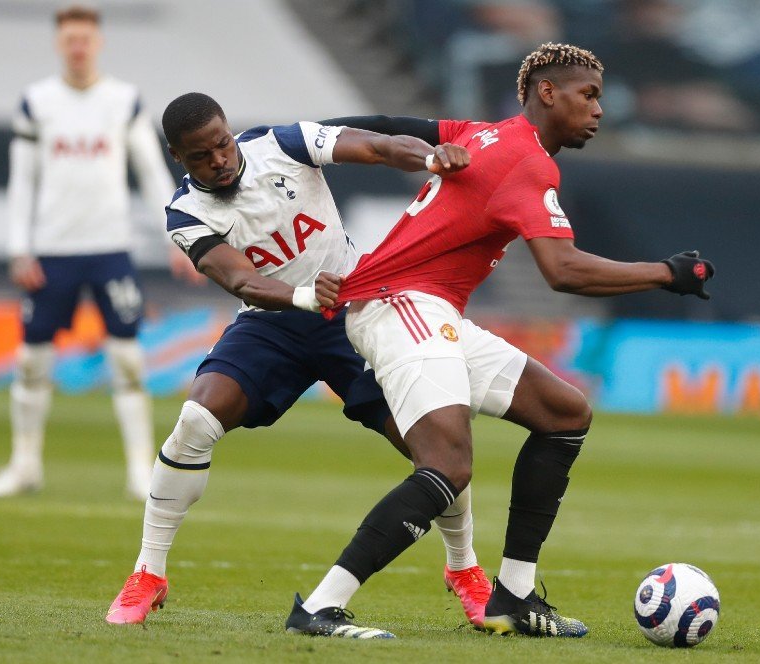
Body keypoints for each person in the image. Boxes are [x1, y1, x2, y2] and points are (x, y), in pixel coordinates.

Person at [286, 42, 716, 639]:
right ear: (547, 92)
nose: (598, 110)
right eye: (587, 95)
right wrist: (666, 274)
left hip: (427, 308)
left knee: (565, 413)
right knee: (448, 467)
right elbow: (562, 271)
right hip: (400, 302)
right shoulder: (527, 161)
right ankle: (318, 608)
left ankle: (511, 598)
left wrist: (291, 137)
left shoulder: (480, 133)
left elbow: (386, 126)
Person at [105, 92, 491, 634]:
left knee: (437, 446)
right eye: (200, 156)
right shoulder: (185, 213)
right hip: (274, 323)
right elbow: (242, 280)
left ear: (228, 130)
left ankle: (465, 570)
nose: (218, 159)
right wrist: (306, 295)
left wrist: (428, 158)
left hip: (357, 311)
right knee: (196, 417)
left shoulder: (281, 143)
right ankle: (149, 572)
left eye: (221, 143)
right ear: (178, 157)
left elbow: (377, 146)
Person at [0, 5, 205, 501]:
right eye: (70, 39)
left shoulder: (122, 101)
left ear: (97, 42)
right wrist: (20, 248)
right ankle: (24, 465)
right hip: (53, 250)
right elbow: (23, 181)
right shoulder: (36, 102)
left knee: (126, 359)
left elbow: (151, 172)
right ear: (60, 44)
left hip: (110, 250)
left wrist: (179, 235)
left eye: (85, 38)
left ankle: (139, 474)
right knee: (32, 361)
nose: (78, 47)